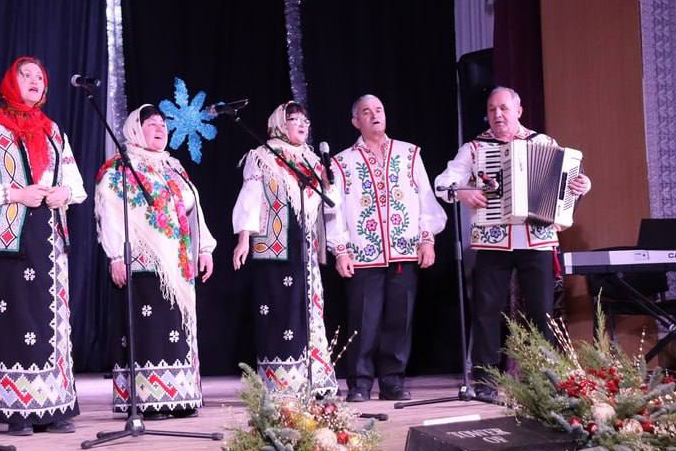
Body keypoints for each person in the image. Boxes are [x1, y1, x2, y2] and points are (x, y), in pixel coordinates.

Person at [0, 57, 86, 435]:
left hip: (48, 237)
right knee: (14, 319)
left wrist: (64, 192)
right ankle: (17, 409)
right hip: (8, 239)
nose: (34, 81)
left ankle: (54, 405)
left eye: (39, 77)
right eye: (25, 75)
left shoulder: (53, 131)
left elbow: (75, 183)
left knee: (52, 322)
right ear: (10, 82)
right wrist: (15, 194)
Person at [434, 86, 591, 389]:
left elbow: (569, 182)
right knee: (486, 311)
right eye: (492, 109)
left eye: (503, 108)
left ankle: (544, 380)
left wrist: (583, 185)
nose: (497, 114)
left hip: (537, 238)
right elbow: (444, 183)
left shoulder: (543, 143)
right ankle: (486, 379)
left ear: (518, 111)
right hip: (493, 240)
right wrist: (464, 192)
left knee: (542, 312)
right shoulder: (475, 148)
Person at [94, 104, 216, 418]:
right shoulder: (120, 168)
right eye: (151, 124)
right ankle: (150, 399)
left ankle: (181, 396)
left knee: (177, 327)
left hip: (177, 262)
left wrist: (204, 249)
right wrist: (116, 255)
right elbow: (109, 210)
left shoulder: (173, 168)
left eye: (162, 123)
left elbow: (194, 208)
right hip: (142, 263)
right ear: (136, 129)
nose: (160, 128)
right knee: (151, 328)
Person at [326, 94, 446, 402]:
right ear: (356, 122)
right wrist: (340, 249)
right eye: (366, 112)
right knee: (363, 321)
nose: (374, 115)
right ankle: (360, 383)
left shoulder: (408, 154)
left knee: (399, 320)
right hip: (362, 253)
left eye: (378, 109)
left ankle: (392, 381)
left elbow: (426, 199)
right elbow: (333, 211)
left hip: (404, 251)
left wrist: (427, 239)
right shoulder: (342, 162)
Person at [231, 102, 337, 397]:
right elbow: (250, 196)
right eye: (294, 119)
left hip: (305, 245)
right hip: (276, 245)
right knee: (281, 309)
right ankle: (284, 382)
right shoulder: (263, 156)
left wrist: (330, 182)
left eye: (305, 120)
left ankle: (314, 379)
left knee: (309, 308)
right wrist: (243, 238)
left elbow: (330, 203)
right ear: (280, 123)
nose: (302, 125)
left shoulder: (313, 160)